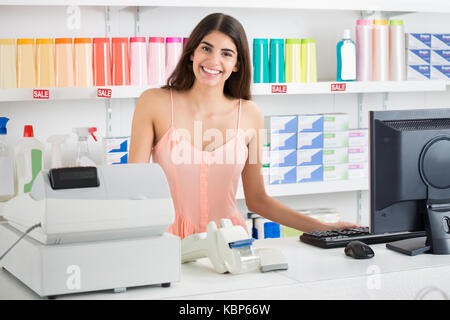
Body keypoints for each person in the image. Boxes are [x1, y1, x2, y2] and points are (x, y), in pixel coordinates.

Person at [129, 13, 361, 239]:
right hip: (170, 242)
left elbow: (257, 199)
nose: (213, 61)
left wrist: (323, 228)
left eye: (226, 53)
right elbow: (134, 189)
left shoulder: (250, 115)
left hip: (231, 244)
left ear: (237, 64)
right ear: (192, 54)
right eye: (206, 48)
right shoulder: (154, 103)